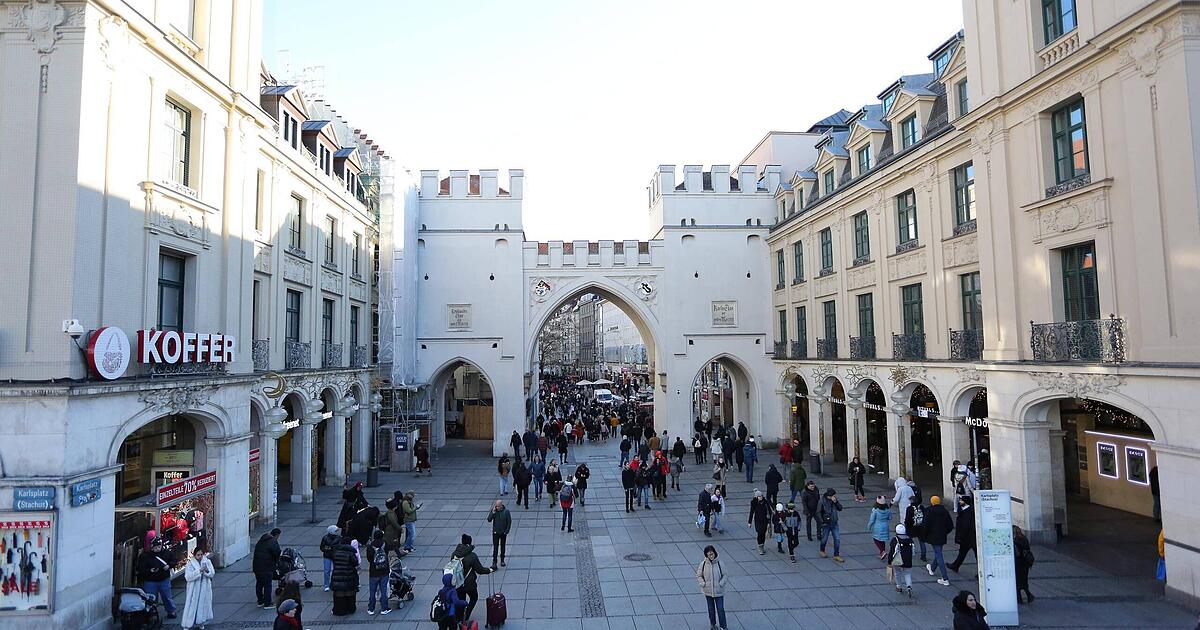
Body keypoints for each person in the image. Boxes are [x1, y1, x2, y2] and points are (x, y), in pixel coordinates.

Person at [451, 533, 493, 621]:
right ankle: (466, 616)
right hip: (469, 583)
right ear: (469, 544)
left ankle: (459, 618)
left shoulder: (454, 554)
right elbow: (479, 570)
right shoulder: (472, 556)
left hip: (458, 582)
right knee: (474, 598)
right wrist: (489, 570)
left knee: (461, 599)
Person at [923, 495, 955, 586]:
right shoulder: (944, 511)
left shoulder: (929, 511)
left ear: (932, 502)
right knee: (938, 552)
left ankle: (945, 578)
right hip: (941, 536)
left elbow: (925, 525)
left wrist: (924, 535)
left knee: (939, 555)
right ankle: (932, 568)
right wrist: (944, 532)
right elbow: (950, 525)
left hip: (933, 536)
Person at [695, 545, 729, 630]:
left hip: (719, 591)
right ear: (706, 555)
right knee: (711, 609)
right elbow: (699, 575)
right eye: (709, 554)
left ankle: (723, 626)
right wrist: (703, 584)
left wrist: (721, 583)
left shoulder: (720, 563)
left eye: (712, 554)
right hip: (708, 591)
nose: (711, 556)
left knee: (720, 609)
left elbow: (725, 575)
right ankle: (713, 625)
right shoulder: (703, 564)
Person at [180, 547, 214, 629]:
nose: (200, 556)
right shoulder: (190, 564)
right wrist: (199, 571)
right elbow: (188, 577)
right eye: (198, 555)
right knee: (191, 606)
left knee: (203, 605)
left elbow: (212, 573)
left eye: (201, 554)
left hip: (204, 588)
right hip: (194, 590)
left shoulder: (207, 562)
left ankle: (201, 622)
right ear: (194, 555)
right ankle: (187, 624)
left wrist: (207, 571)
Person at [330, 534, 360, 615]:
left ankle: (340, 610)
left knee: (339, 595)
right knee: (349, 593)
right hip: (348, 575)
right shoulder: (351, 552)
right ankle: (350, 609)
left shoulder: (335, 551)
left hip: (337, 575)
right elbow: (355, 563)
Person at [365, 531, 393, 616]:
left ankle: (371, 609)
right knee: (383, 590)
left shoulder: (370, 546)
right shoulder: (385, 544)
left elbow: (369, 558)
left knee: (372, 591)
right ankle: (384, 608)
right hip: (384, 570)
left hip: (373, 572)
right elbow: (388, 552)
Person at [252, 528, 281, 609]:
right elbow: (277, 553)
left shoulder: (262, 540)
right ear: (277, 535)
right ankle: (267, 603)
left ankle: (260, 601)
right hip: (267, 566)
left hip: (257, 566)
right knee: (267, 585)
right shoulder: (273, 541)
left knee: (259, 584)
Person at [948, 496, 977, 573]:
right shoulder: (963, 510)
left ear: (965, 502)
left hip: (969, 537)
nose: (960, 502)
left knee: (976, 555)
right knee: (962, 553)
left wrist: (960, 537)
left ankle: (955, 566)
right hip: (968, 538)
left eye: (961, 501)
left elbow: (965, 526)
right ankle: (955, 566)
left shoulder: (967, 512)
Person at [887, 524, 916, 598]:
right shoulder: (910, 539)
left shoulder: (895, 539)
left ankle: (899, 587)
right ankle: (909, 586)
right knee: (907, 574)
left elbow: (891, 552)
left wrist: (889, 561)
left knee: (897, 573)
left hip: (898, 560)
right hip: (908, 560)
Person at [818, 488, 844, 562]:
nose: (834, 496)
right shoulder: (822, 501)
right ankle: (822, 550)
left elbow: (840, 508)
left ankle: (836, 555)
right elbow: (818, 512)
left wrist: (836, 502)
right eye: (832, 495)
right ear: (828, 495)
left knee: (837, 539)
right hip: (826, 523)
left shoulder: (834, 500)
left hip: (834, 523)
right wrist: (822, 522)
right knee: (824, 539)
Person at [486, 500, 512, 569]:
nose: (497, 507)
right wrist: (493, 512)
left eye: (498, 506)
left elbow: (509, 522)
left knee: (503, 546)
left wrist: (506, 531)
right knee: (495, 547)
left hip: (503, 533)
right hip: (496, 532)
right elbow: (489, 519)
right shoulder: (494, 511)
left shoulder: (506, 512)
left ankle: (502, 560)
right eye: (496, 506)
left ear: (501, 505)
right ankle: (494, 562)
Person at [1013, 525, 1035, 603]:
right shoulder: (1024, 539)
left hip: (1019, 563)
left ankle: (1020, 598)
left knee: (1018, 581)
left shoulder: (1015, 541)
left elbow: (1016, 553)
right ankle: (1027, 596)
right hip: (1025, 563)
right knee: (1023, 581)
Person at [905, 494, 929, 562]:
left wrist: (906, 525)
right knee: (922, 542)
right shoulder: (921, 507)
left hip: (911, 527)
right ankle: (923, 556)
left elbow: (908, 519)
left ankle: (909, 553)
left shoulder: (909, 508)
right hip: (920, 527)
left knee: (909, 541)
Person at [747, 490, 771, 555]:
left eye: (761, 496)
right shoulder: (754, 502)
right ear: (756, 497)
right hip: (758, 520)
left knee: (763, 534)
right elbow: (751, 512)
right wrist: (749, 522)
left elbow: (769, 511)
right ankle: (760, 546)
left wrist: (769, 521)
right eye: (759, 496)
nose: (760, 497)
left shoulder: (765, 502)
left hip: (765, 520)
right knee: (759, 533)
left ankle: (762, 545)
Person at [319, 525, 340, 591]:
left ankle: (334, 583)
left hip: (335, 555)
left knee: (336, 570)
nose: (337, 532)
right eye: (336, 531)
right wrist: (329, 549)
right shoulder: (325, 538)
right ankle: (326, 585)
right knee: (326, 571)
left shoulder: (338, 537)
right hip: (328, 556)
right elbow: (322, 547)